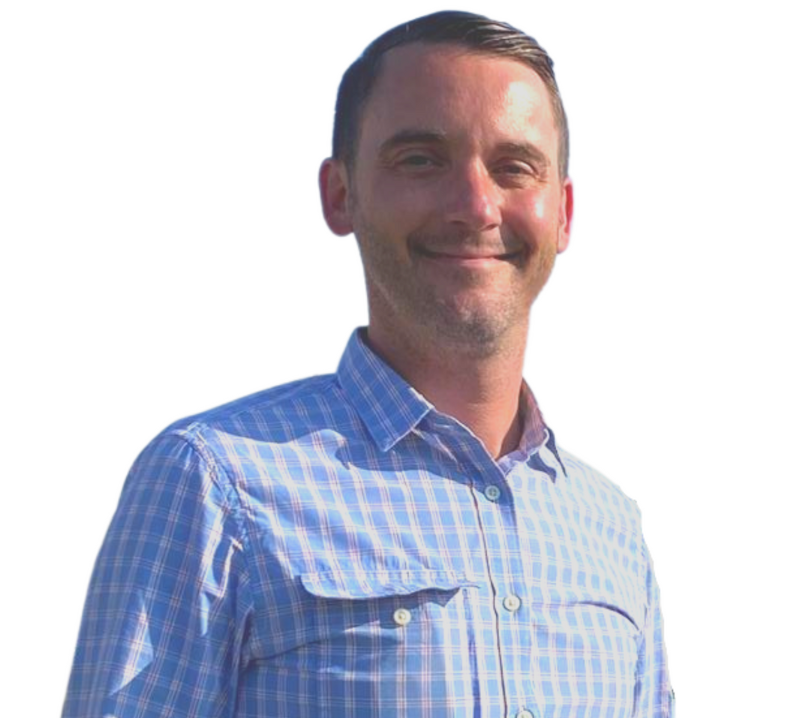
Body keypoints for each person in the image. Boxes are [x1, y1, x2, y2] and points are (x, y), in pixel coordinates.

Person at [63, 10, 673, 718]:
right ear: (340, 194)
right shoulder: (213, 484)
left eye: (514, 167)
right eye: (421, 160)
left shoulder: (609, 529)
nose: (476, 205)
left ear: (563, 213)